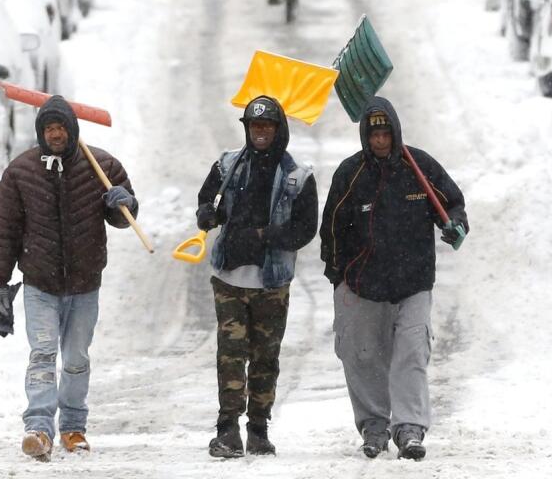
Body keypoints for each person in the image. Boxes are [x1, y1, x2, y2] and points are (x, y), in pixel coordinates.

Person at [0, 95, 140, 462]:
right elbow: (6, 230)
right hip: (40, 283)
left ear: (72, 130)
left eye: (61, 128)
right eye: (49, 129)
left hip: (85, 283)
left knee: (75, 358)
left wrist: (125, 203)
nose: (55, 134)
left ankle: (73, 427)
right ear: (42, 132)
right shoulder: (20, 172)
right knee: (42, 355)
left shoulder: (101, 165)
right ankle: (39, 428)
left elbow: (125, 219)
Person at [319, 96, 468, 462]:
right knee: (363, 355)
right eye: (374, 136)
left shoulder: (419, 166)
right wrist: (338, 276)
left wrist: (457, 226)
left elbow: (452, 204)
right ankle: (374, 425)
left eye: (386, 133)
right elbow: (332, 230)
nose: (380, 141)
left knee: (412, 353)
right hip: (363, 283)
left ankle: (410, 428)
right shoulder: (350, 174)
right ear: (364, 138)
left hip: (413, 280)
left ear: (395, 132)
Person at [195, 96, 319, 459]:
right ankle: (227, 429)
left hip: (272, 283)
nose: (260, 132)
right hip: (229, 278)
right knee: (230, 355)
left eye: (266, 126)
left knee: (266, 356)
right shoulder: (228, 165)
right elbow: (207, 204)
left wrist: (266, 236)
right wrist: (207, 215)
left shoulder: (299, 176)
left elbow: (305, 229)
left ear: (278, 130)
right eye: (254, 126)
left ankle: (259, 429)